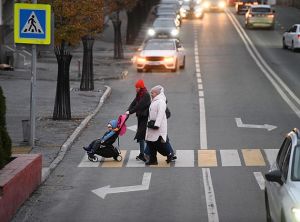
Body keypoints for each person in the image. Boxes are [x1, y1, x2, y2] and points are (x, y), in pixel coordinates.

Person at [126, 79, 151, 162]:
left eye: (137, 87)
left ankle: (145, 153)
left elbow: (139, 106)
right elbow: (134, 103)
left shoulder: (146, 95)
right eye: (136, 87)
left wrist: (130, 111)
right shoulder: (139, 94)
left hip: (145, 117)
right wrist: (128, 111)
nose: (136, 89)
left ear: (141, 87)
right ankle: (142, 154)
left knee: (141, 135)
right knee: (141, 136)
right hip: (140, 117)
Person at [145, 85, 170, 165]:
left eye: (152, 93)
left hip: (158, 127)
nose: (151, 94)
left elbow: (161, 114)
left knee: (158, 144)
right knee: (150, 142)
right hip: (152, 126)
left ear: (156, 93)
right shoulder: (155, 101)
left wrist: (157, 124)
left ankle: (169, 154)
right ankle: (153, 160)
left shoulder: (161, 102)